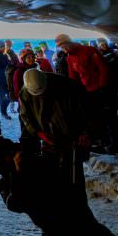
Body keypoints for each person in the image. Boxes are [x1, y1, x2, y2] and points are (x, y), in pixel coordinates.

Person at [18, 68, 91, 204]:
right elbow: (25, 116)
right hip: (48, 138)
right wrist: (38, 133)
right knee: (52, 172)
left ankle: (78, 205)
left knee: (74, 172)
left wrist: (84, 132)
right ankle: (58, 204)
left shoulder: (67, 85)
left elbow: (85, 110)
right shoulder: (25, 93)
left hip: (71, 135)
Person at [55, 34, 113, 153]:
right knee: (91, 118)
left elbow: (103, 68)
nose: (63, 49)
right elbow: (73, 77)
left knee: (107, 117)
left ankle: (113, 144)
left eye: (64, 46)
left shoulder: (89, 51)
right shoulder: (70, 58)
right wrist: (74, 91)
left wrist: (102, 86)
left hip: (100, 89)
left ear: (69, 42)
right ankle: (98, 142)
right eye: (61, 48)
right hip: (86, 91)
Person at [96, 40, 118, 155]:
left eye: (104, 44)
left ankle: (116, 145)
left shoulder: (111, 56)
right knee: (110, 117)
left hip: (110, 88)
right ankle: (115, 143)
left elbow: (117, 71)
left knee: (110, 117)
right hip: (111, 88)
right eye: (101, 45)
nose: (102, 46)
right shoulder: (109, 56)